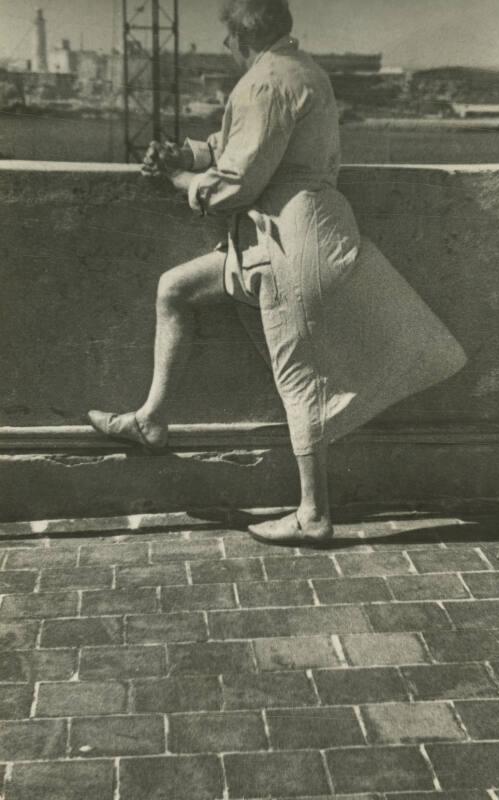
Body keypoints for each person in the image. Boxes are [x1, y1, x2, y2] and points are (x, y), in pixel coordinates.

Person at [88, 0, 467, 545]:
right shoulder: (301, 70)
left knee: (297, 378)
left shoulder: (262, 82)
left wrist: (179, 181)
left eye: (225, 38)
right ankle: (150, 417)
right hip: (290, 235)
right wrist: (188, 151)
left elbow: (237, 182)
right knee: (174, 288)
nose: (223, 47)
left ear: (240, 36)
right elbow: (243, 145)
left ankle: (313, 515)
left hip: (291, 244)